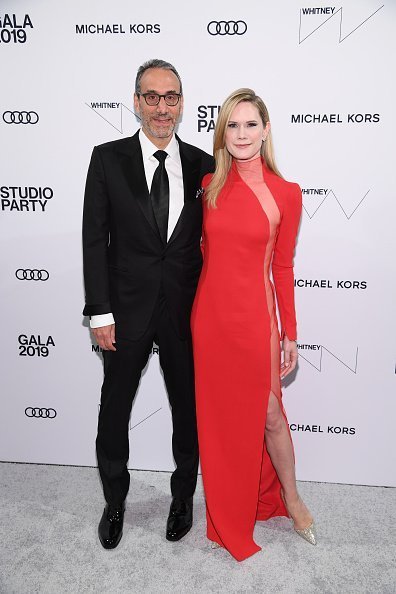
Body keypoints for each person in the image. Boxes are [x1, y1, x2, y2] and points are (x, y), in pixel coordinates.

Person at [82, 59, 214, 549]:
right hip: (125, 310)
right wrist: (99, 311)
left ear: (182, 104)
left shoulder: (205, 164)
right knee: (114, 409)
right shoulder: (107, 158)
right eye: (152, 97)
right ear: (136, 102)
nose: (163, 107)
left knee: (188, 410)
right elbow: (94, 240)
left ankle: (183, 497)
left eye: (172, 97)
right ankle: (114, 501)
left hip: (186, 312)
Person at [191, 88, 316, 562]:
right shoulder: (209, 185)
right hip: (211, 320)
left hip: (255, 321)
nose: (241, 134)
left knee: (268, 414)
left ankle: (292, 498)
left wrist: (290, 333)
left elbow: (281, 268)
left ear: (265, 131)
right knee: (221, 422)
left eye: (251, 124)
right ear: (222, 132)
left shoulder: (285, 193)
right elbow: (200, 254)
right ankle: (228, 511)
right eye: (232, 125)